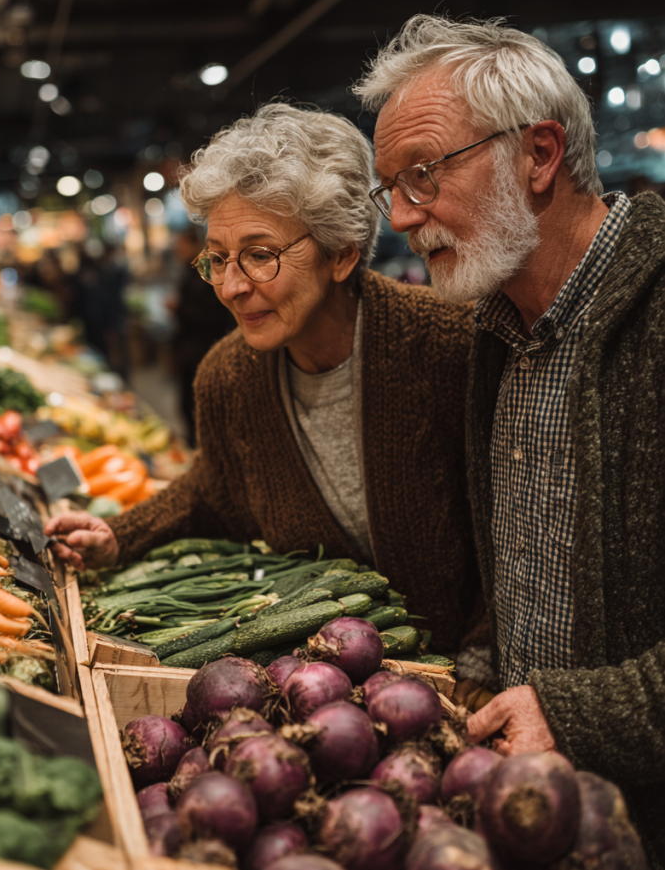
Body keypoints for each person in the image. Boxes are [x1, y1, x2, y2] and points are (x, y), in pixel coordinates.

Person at [356, 14, 665, 864]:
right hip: (539, 816)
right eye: (389, 188)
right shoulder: (493, 331)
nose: (401, 218)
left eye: (421, 175)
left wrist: (573, 713)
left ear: (538, 154)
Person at [46, 102, 481, 653]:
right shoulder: (227, 378)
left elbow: (518, 527)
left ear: (342, 254)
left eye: (258, 255)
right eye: (217, 259)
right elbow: (215, 488)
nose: (230, 287)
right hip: (332, 688)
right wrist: (120, 535)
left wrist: (482, 658)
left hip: (474, 682)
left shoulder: (448, 344)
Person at [169, 226, 235, 446]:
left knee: (200, 408)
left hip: (202, 349)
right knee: (188, 406)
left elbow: (211, 315)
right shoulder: (191, 272)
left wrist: (179, 309)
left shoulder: (205, 276)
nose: (233, 289)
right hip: (192, 350)